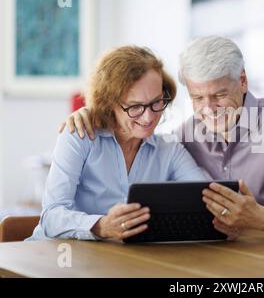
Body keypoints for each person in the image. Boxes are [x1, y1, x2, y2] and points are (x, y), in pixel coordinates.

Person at [60, 36, 264, 239]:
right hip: (214, 257)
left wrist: (262, 218)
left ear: (242, 81)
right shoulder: (184, 136)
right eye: (197, 98)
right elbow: (139, 129)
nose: (209, 109)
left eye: (219, 95)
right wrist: (98, 112)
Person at [28, 46, 206, 241]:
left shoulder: (170, 150)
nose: (149, 117)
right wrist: (100, 226)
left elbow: (205, 197)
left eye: (157, 102)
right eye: (136, 106)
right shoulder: (79, 137)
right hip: (55, 257)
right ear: (109, 103)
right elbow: (51, 217)